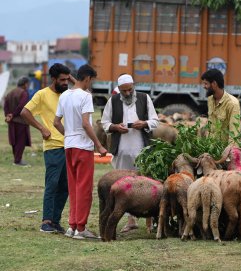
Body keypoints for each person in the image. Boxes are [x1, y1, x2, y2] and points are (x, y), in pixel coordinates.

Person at [54, 64, 107, 239]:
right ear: (88, 78)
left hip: (68, 145)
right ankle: (81, 228)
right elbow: (86, 123)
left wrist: (69, 135)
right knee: (83, 188)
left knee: (74, 187)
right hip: (82, 147)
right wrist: (99, 145)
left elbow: (56, 122)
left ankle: (72, 225)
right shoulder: (86, 96)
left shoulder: (64, 96)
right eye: (92, 81)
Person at [101, 73, 159, 232]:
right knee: (123, 186)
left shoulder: (144, 98)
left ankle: (149, 222)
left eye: (130, 90)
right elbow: (104, 123)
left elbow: (155, 120)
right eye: (124, 91)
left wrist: (145, 123)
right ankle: (130, 220)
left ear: (133, 86)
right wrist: (115, 127)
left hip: (142, 150)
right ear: (119, 89)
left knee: (145, 182)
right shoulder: (112, 101)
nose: (128, 93)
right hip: (121, 150)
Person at [21, 63, 73, 233]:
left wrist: (71, 79)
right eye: (63, 80)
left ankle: (56, 221)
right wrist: (42, 128)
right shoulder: (42, 94)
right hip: (53, 146)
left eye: (68, 79)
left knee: (65, 186)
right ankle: (46, 221)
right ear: (53, 79)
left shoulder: (68, 95)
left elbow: (85, 89)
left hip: (70, 145)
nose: (66, 82)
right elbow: (25, 112)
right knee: (52, 183)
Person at [201, 68, 241, 141]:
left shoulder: (232, 103)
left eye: (206, 83)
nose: (204, 86)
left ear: (214, 84)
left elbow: (234, 132)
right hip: (210, 146)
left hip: (223, 149)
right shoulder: (210, 99)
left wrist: (229, 150)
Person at [4, 76, 31, 166]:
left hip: (11, 121)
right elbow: (22, 106)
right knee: (21, 141)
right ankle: (18, 160)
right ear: (25, 84)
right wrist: (13, 114)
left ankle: (16, 158)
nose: (28, 86)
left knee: (14, 141)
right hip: (21, 121)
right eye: (28, 84)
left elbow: (5, 106)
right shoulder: (24, 93)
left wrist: (8, 115)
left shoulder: (10, 92)